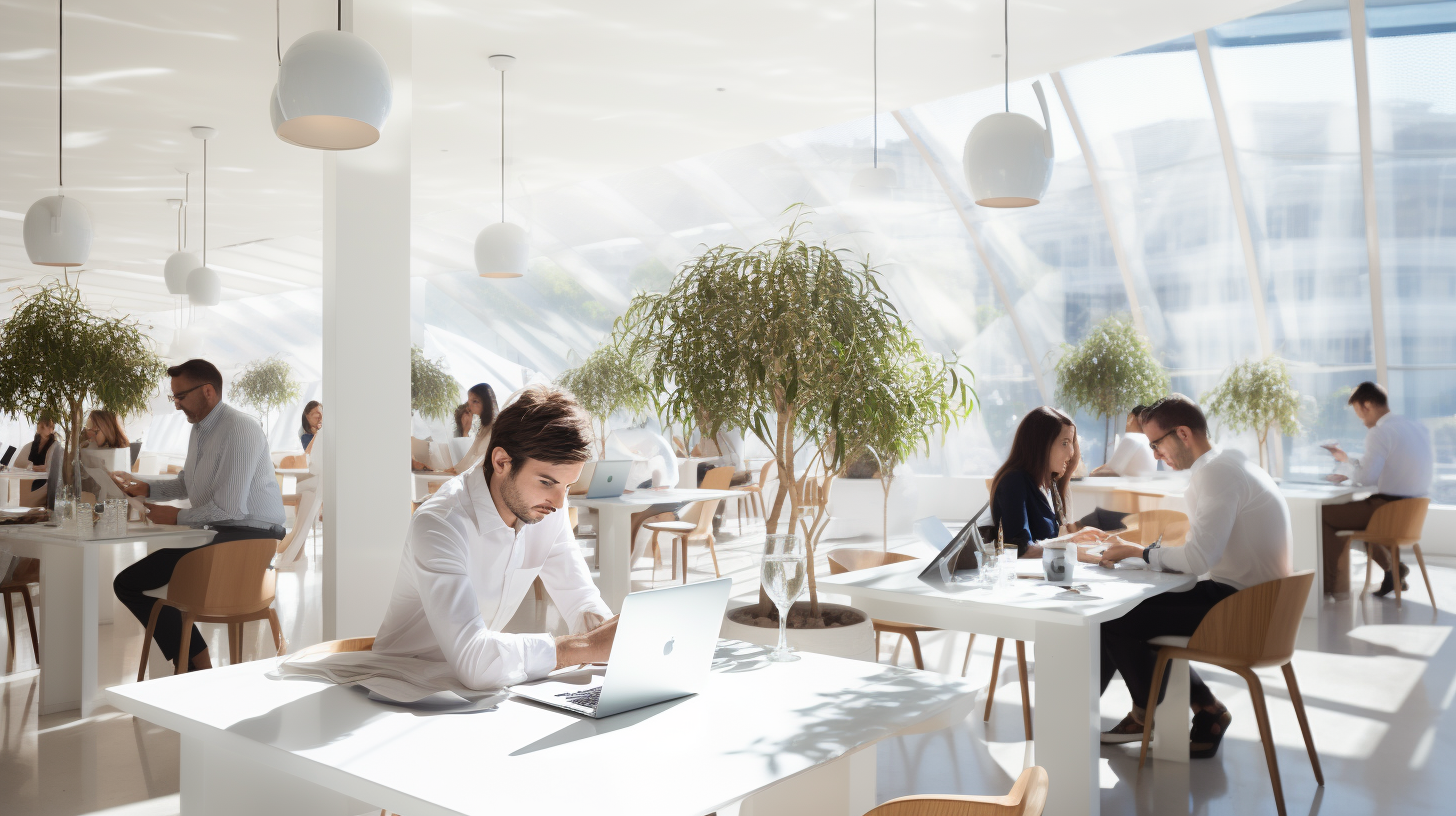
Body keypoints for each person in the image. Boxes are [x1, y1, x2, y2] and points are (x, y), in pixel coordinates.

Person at [373, 384, 616, 688]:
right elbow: (475, 660)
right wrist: (584, 647)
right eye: (547, 482)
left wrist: (616, 640)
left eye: (567, 487)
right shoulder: (440, 524)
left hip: (481, 691)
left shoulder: (546, 509)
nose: (557, 502)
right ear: (502, 461)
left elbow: (581, 601)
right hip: (401, 690)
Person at [1095, 395, 1292, 758]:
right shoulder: (1230, 464)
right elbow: (1202, 550)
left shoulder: (1216, 473)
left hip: (1241, 607)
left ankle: (1143, 715)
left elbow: (1199, 558)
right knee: (1145, 618)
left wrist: (1139, 553)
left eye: (1156, 444)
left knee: (1115, 618)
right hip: (1265, 603)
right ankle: (1207, 708)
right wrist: (1145, 556)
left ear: (1182, 433)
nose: (1155, 455)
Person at [109, 359, 287, 673]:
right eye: (173, 397)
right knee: (130, 582)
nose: (176, 405)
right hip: (220, 535)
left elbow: (231, 509)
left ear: (208, 391)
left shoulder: (240, 428)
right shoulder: (200, 429)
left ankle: (195, 662)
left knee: (130, 582)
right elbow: (185, 482)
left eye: (181, 396)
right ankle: (195, 660)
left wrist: (177, 517)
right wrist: (145, 487)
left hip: (249, 541)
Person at [1321, 382, 1434, 596]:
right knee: (1358, 520)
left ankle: (1332, 586)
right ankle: (1394, 569)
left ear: (1367, 405)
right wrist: (1349, 461)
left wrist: (1347, 473)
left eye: (1359, 413)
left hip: (1388, 507)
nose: (1362, 421)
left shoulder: (1380, 433)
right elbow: (1394, 467)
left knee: (1323, 515)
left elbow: (1366, 479)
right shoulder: (1416, 427)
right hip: (1413, 510)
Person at [989, 407, 1103, 559]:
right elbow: (1019, 549)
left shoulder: (1050, 487)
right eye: (1064, 443)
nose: (1071, 452)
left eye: (1071, 443)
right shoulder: (1013, 482)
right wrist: (1073, 547)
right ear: (1041, 445)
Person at [1090, 406, 1158, 477]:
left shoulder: (1131, 438)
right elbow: (1113, 465)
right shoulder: (1149, 442)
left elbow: (1112, 470)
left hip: (1129, 487)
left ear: (1131, 418)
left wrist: (1091, 474)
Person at [79, 410, 130, 497]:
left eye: (95, 432)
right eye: (88, 430)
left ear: (107, 430)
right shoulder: (86, 448)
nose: (90, 436)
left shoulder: (117, 453)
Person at [452, 382, 499, 472]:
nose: (470, 406)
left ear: (486, 403)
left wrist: (459, 470)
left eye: (475, 401)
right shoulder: (484, 426)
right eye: (470, 401)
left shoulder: (494, 428)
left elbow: (481, 456)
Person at [19, 419, 60, 507]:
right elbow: (19, 462)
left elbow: (52, 467)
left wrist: (31, 467)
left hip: (46, 485)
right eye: (40, 424)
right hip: (30, 483)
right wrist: (32, 467)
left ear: (52, 429)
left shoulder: (55, 446)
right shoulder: (31, 445)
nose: (42, 427)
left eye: (46, 425)